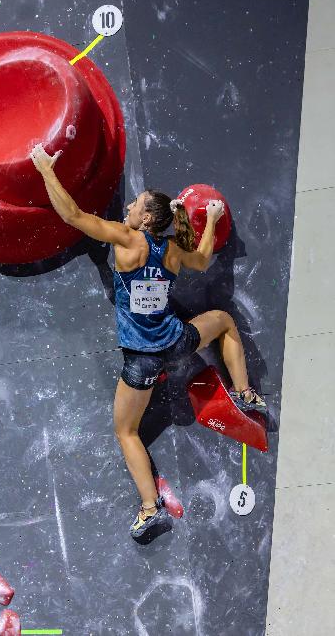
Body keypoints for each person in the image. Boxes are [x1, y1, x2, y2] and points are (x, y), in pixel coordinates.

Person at [30, 143, 267, 538]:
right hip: (176, 344)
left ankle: (149, 508)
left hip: (142, 362)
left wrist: (45, 170)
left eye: (135, 205)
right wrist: (210, 218)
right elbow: (204, 258)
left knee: (126, 432)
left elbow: (71, 214)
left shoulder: (126, 241)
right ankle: (244, 393)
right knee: (224, 321)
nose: (128, 209)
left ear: (148, 217)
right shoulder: (172, 249)